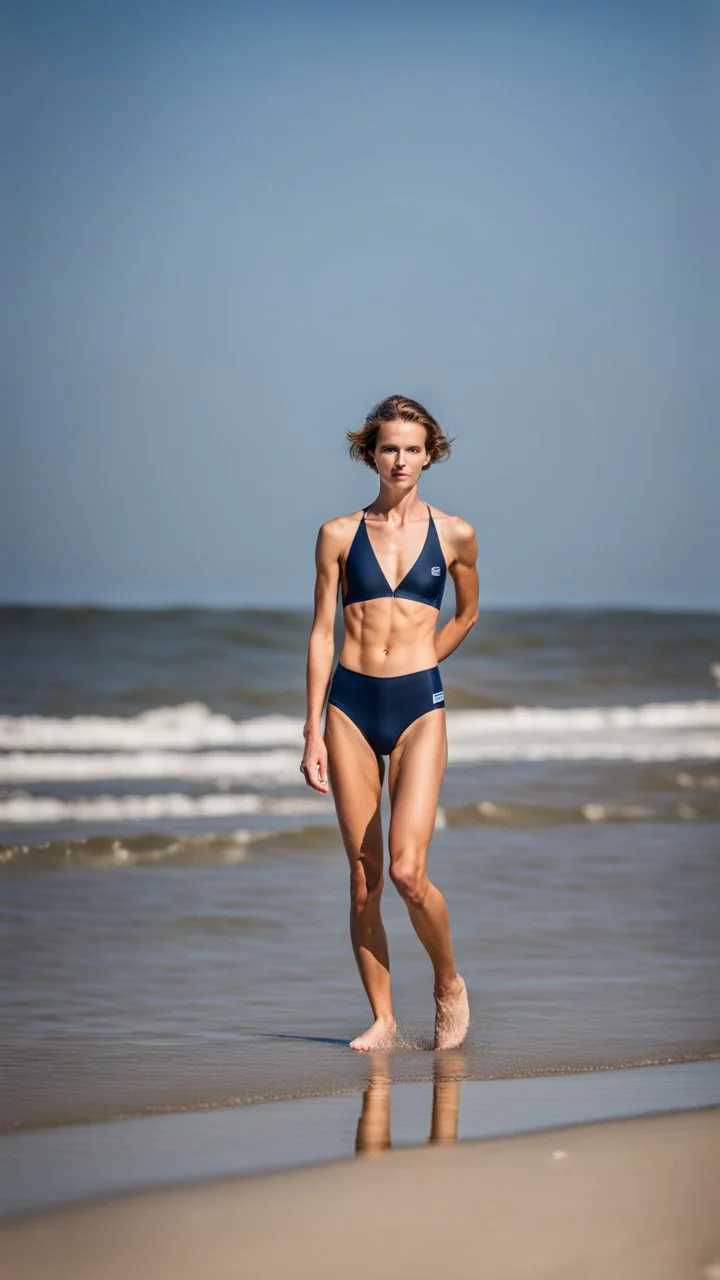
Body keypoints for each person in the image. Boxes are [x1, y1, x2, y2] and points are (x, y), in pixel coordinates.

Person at [300, 395, 480, 1052]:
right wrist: (312, 730)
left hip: (418, 708)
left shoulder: (456, 533)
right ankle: (383, 1017)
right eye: (388, 448)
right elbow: (323, 632)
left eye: (412, 448)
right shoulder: (338, 535)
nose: (400, 459)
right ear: (370, 454)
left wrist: (420, 664)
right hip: (349, 708)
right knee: (364, 875)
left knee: (408, 871)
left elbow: (466, 613)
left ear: (430, 453)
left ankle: (448, 981)